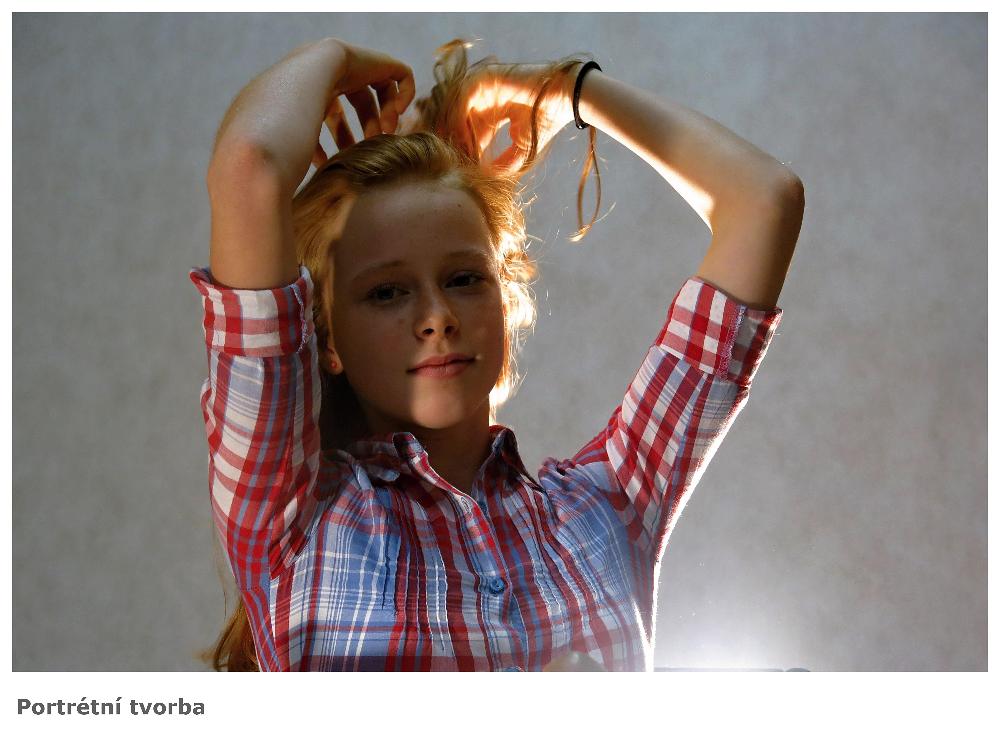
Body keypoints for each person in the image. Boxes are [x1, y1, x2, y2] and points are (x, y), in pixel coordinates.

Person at [190, 37, 804, 672]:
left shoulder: (606, 509)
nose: (437, 317)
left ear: (504, 300)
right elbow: (249, 168)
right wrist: (336, 55)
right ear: (327, 339)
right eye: (386, 292)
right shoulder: (293, 520)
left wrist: (568, 90)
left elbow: (765, 199)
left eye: (463, 279)